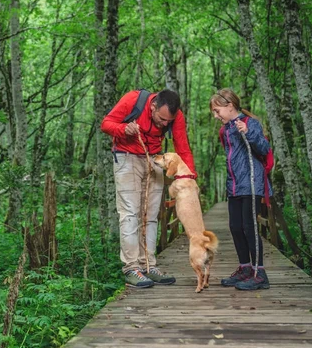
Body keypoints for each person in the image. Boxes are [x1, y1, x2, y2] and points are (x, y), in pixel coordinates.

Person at [101, 89, 196, 288]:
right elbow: (106, 124)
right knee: (130, 213)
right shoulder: (133, 100)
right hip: (127, 157)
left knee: (151, 215)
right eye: (161, 119)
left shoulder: (176, 116)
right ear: (153, 106)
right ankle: (131, 268)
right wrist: (123, 129)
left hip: (154, 159)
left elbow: (182, 145)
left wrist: (189, 176)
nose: (164, 124)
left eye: (168, 121)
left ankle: (148, 265)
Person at [209, 88, 271, 290]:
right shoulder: (225, 130)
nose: (216, 115)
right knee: (235, 227)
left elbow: (263, 148)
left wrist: (249, 133)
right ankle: (245, 268)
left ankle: (259, 273)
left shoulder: (250, 123)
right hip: (234, 186)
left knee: (249, 227)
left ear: (230, 106)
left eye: (218, 111)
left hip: (252, 184)